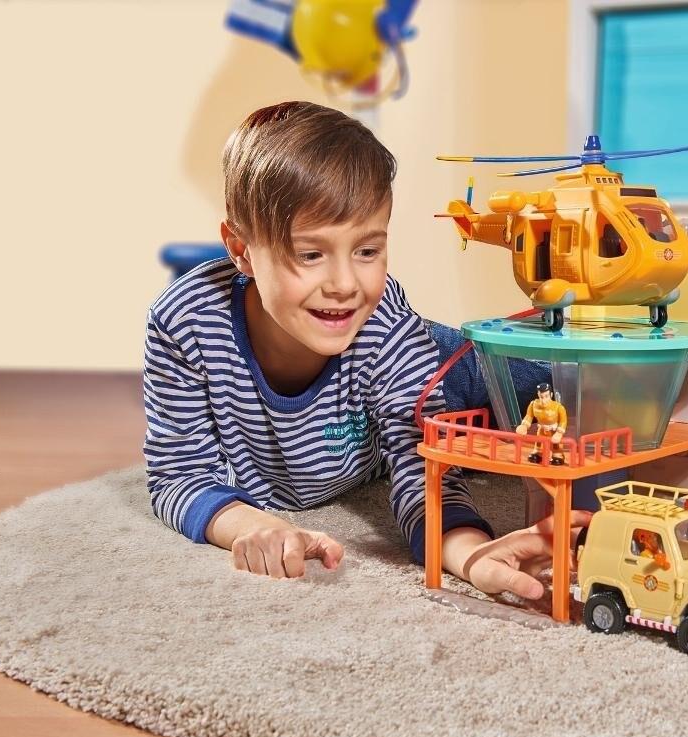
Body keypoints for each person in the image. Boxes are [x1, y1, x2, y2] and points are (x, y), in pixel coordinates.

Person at [143, 100, 580, 599]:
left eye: (367, 251)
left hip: (444, 367)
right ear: (241, 250)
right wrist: (251, 524)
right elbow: (177, 474)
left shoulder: (384, 325)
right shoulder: (186, 322)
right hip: (378, 375)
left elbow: (422, 465)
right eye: (310, 254)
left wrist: (468, 551)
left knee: (568, 393)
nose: (345, 284)